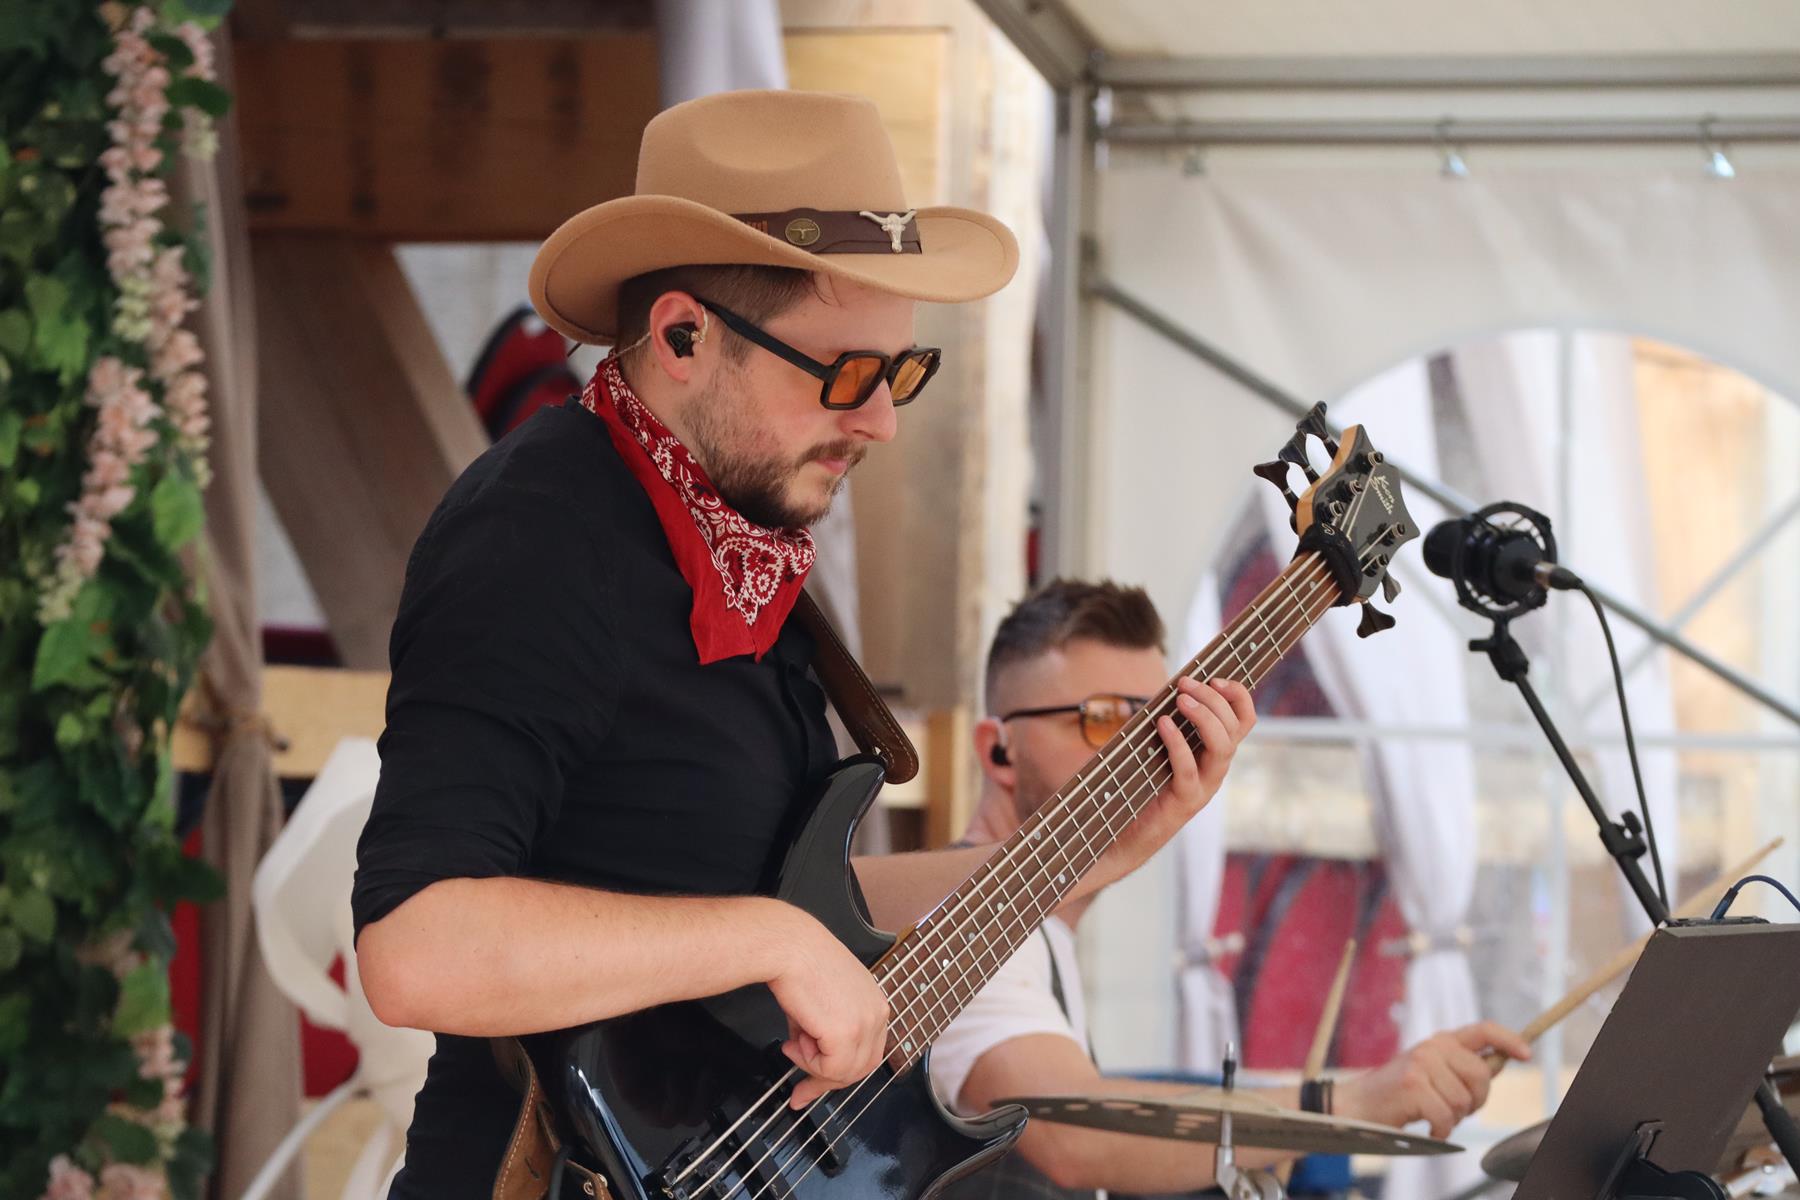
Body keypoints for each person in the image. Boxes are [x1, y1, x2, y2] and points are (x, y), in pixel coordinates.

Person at [350, 91, 1259, 1199]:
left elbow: (782, 897)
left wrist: (1086, 853)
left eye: (901, 373)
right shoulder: (536, 536)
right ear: (683, 336)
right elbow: (418, 949)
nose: (881, 420)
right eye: (845, 373)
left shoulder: (745, 542)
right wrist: (770, 941)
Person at [930, 579, 1533, 1199]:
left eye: (1160, 723)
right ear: (998, 751)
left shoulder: (1041, 933)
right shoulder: (962, 923)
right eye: (1103, 719)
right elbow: (1074, 1136)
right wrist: (1348, 1104)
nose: (1146, 756)